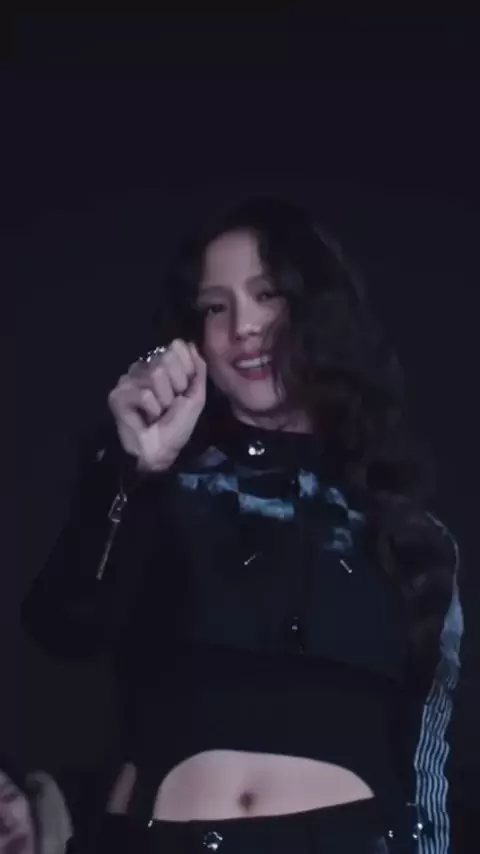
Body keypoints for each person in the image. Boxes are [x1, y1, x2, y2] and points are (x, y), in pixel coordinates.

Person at [21, 198, 463, 853]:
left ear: (320, 309)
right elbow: (62, 628)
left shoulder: (407, 532)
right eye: (215, 307)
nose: (244, 328)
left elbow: (427, 755)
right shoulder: (152, 484)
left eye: (267, 295)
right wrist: (134, 472)